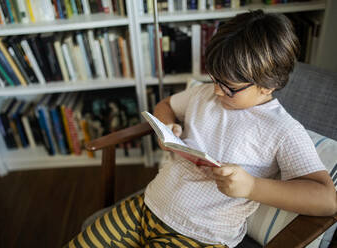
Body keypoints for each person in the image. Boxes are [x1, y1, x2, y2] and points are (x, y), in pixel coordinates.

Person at [65, 10, 337, 248]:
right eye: (214, 78)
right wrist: (168, 125)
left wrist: (252, 186)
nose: (217, 90)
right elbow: (165, 105)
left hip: (200, 237)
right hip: (145, 207)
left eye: (229, 87)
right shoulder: (204, 95)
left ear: (268, 85)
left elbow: (326, 199)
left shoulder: (282, 130)